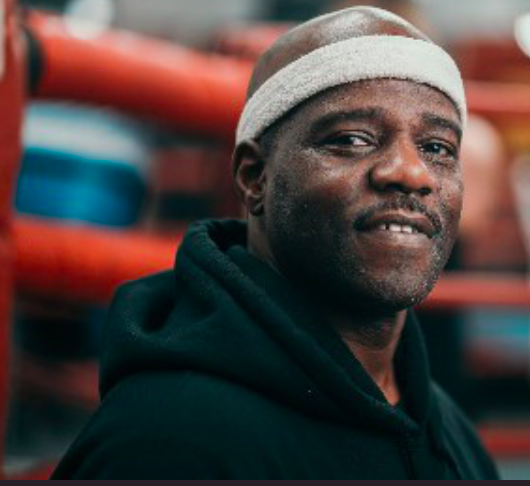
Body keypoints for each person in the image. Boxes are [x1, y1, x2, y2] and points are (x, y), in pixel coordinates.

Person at [52, 6, 499, 479]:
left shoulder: (449, 431)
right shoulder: (168, 443)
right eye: (352, 139)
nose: (411, 172)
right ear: (254, 177)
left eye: (437, 148)